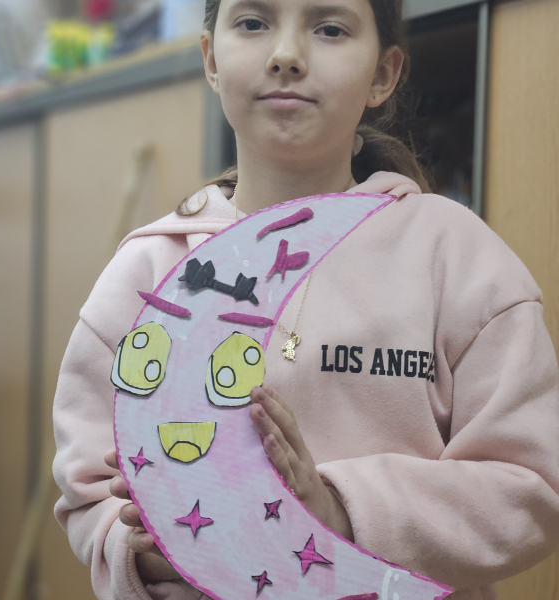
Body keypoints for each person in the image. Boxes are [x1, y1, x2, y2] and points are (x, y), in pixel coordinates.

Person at [52, 0, 559, 598]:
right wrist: (159, 552)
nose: (286, 55)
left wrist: (335, 510)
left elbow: (532, 486)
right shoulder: (146, 272)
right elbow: (89, 491)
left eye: (330, 29)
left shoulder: (458, 257)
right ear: (211, 60)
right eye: (253, 23)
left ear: (383, 74)